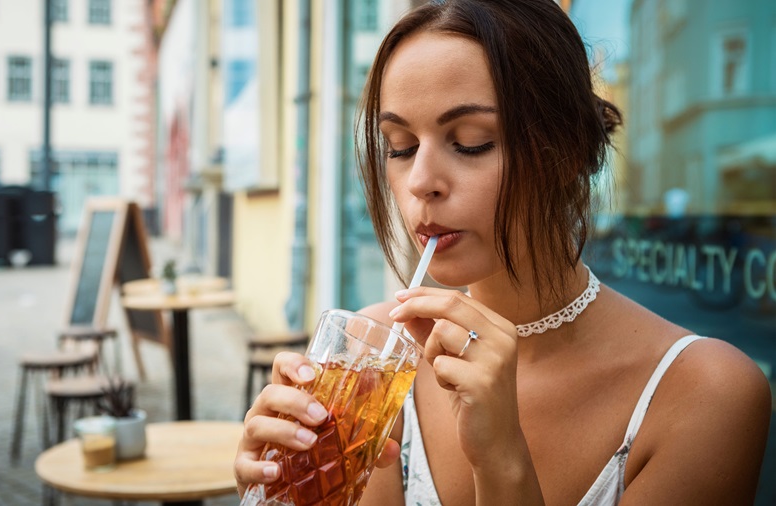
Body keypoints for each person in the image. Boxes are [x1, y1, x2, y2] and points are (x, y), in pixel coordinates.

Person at [234, 0, 772, 504]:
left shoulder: (706, 395)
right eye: (399, 147)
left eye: (470, 141)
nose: (420, 181)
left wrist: (503, 464)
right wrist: (282, 491)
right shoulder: (376, 369)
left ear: (567, 151)